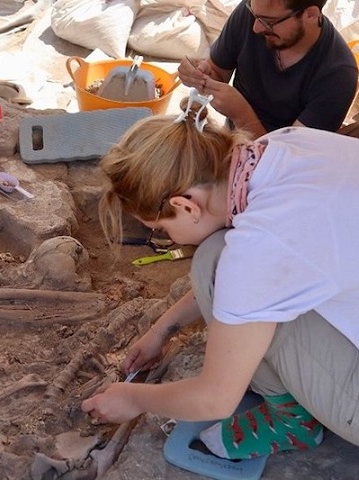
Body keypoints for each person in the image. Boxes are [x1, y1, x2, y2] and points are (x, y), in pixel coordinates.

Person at [81, 95, 359, 460]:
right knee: (216, 256)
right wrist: (162, 329)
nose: (169, 239)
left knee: (218, 261)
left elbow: (215, 398)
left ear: (185, 205)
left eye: (160, 230)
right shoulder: (279, 146)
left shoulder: (261, 244)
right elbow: (247, 274)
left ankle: (292, 422)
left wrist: (133, 398)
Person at [178, 0, 358, 139]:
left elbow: (286, 161)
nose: (256, 27)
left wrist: (241, 114)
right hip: (235, 141)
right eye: (254, 14)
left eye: (269, 22)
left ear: (310, 14)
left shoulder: (338, 76)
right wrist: (202, 75)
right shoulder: (253, 13)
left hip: (278, 174)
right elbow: (217, 71)